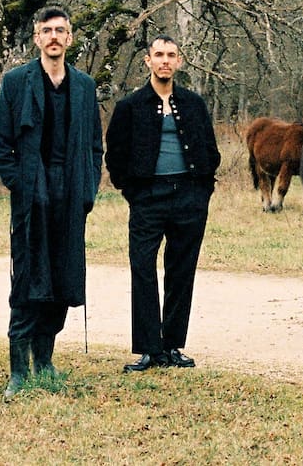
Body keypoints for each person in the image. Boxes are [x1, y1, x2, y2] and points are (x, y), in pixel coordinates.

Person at [0, 6, 103, 399]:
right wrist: (22, 186)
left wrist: (87, 190)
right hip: (31, 196)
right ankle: (18, 370)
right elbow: (1, 147)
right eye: (46, 31)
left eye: (61, 31)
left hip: (70, 194)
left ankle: (46, 360)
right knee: (27, 281)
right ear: (36, 38)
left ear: (70, 38)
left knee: (62, 277)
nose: (54, 37)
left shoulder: (85, 86)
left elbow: (94, 146)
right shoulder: (17, 82)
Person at [105, 34, 220, 372]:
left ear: (179, 61)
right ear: (148, 61)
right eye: (159, 55)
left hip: (189, 197)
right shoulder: (131, 106)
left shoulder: (193, 104)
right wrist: (133, 191)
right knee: (142, 270)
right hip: (147, 199)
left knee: (181, 271)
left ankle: (171, 345)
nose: (165, 61)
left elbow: (210, 150)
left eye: (171, 55)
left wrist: (202, 191)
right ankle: (148, 349)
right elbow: (116, 154)